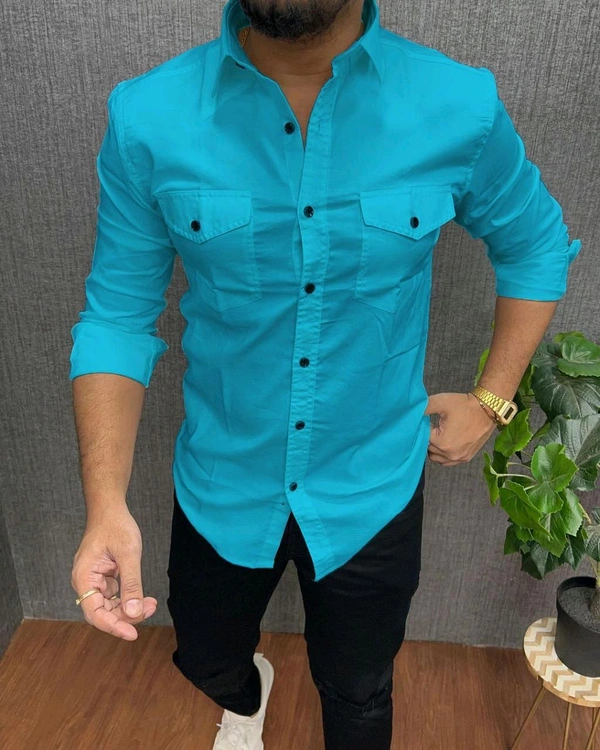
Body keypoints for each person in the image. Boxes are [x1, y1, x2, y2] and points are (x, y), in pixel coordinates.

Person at [68, 0, 581, 748]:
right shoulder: (148, 117)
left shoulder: (459, 104)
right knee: (206, 659)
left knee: (360, 688)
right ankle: (245, 697)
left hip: (372, 488)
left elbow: (535, 244)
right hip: (221, 482)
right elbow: (117, 317)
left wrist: (493, 399)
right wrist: (105, 504)